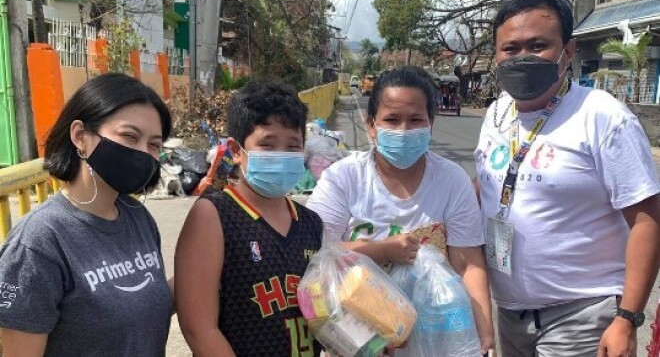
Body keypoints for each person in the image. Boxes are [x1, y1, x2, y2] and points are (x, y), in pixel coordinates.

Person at [474, 0, 660, 357]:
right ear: (496, 56)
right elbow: (486, 184)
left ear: (569, 51)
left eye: (539, 45)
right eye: (510, 48)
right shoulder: (497, 114)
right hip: (511, 316)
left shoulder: (603, 117)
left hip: (582, 317)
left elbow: (647, 220)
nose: (523, 56)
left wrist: (627, 318)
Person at [306, 66, 495, 354]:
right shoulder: (343, 178)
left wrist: (484, 334)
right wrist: (380, 251)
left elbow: (468, 263)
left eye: (415, 120)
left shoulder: (452, 180)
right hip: (359, 338)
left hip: (434, 338)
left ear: (431, 124)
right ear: (371, 125)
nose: (403, 130)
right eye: (391, 120)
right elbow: (314, 251)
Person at [0, 73, 174, 356]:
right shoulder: (40, 240)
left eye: (153, 145)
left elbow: (142, 306)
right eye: (130, 136)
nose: (143, 152)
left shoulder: (138, 217)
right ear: (81, 136)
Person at [175, 81, 323, 356]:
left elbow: (324, 317)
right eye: (267, 145)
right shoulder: (214, 215)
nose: (281, 156)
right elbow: (199, 329)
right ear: (235, 150)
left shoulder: (311, 223)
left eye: (293, 146)